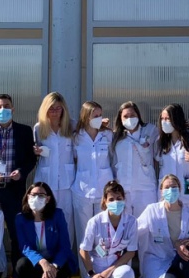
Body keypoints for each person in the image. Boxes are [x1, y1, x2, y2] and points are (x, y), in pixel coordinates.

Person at [0, 93, 36, 273]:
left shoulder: (25, 131)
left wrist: (22, 172)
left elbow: (31, 159)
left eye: (6, 106)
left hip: (14, 190)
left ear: (13, 109)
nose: (3, 110)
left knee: (17, 233)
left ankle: (19, 275)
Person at [136, 174, 189, 278]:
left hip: (180, 260)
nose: (170, 190)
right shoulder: (152, 211)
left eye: (174, 187)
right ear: (161, 191)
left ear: (180, 189)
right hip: (157, 260)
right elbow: (135, 230)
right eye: (167, 187)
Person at [13, 182, 76, 278]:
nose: (37, 198)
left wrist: (53, 266)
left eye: (41, 195)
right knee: (22, 265)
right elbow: (25, 247)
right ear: (27, 197)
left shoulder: (57, 215)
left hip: (56, 262)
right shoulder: (20, 218)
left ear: (48, 199)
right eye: (33, 195)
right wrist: (43, 262)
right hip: (37, 262)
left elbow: (65, 245)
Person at [80, 181, 138, 278]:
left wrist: (109, 271)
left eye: (119, 199)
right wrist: (92, 274)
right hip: (97, 271)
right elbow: (84, 250)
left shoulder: (131, 221)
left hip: (116, 268)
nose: (115, 202)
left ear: (124, 199)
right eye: (111, 199)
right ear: (105, 201)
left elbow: (131, 252)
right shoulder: (95, 221)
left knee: (127, 273)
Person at [33, 92, 76, 246]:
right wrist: (35, 152)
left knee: (67, 220)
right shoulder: (39, 128)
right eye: (51, 108)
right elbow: (33, 152)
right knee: (45, 219)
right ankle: (47, 257)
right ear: (45, 109)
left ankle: (64, 258)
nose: (55, 111)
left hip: (67, 183)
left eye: (59, 108)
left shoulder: (72, 125)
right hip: (45, 182)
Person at [71, 100, 115, 247]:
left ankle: (102, 268)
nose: (99, 118)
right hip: (82, 192)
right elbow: (73, 159)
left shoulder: (107, 135)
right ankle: (86, 270)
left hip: (104, 191)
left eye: (100, 115)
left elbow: (114, 158)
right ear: (85, 116)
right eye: (95, 115)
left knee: (103, 234)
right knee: (84, 235)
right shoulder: (76, 137)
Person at [155, 104, 189, 212]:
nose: (164, 122)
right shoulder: (160, 141)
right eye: (162, 119)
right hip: (167, 194)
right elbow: (156, 163)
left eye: (167, 119)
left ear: (176, 119)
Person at [111, 101, 160, 218]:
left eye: (132, 115)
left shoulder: (150, 131)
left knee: (146, 226)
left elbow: (158, 155)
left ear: (138, 115)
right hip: (123, 189)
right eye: (125, 116)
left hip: (145, 188)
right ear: (120, 118)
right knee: (125, 225)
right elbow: (114, 162)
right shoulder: (116, 136)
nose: (129, 119)